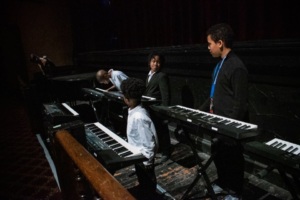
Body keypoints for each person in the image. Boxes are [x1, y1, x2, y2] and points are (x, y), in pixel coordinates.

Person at [200, 23, 248, 200]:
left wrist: (232, 128)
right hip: (217, 123)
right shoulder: (220, 65)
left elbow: (240, 103)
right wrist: (198, 112)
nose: (208, 47)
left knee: (233, 159)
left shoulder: (236, 66)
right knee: (219, 156)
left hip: (229, 125)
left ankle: (235, 191)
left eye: (210, 43)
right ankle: (223, 183)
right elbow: (213, 95)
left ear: (220, 43)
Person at [121, 77, 158, 196]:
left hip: (144, 160)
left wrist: (148, 163)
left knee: (148, 186)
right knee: (143, 183)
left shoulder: (139, 116)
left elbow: (148, 142)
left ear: (127, 100)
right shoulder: (134, 111)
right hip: (138, 156)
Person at [144, 52, 171, 162]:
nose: (156, 64)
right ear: (150, 62)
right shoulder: (149, 75)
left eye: (158, 62)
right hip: (150, 109)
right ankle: (159, 149)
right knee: (155, 130)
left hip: (159, 109)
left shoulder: (161, 76)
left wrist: (165, 113)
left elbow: (166, 96)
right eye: (154, 61)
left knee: (163, 130)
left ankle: (166, 152)